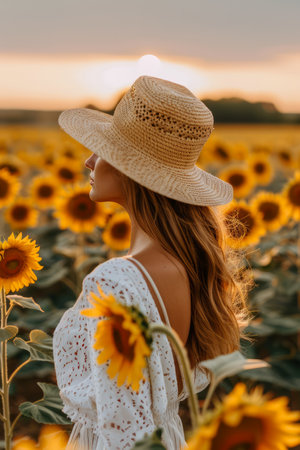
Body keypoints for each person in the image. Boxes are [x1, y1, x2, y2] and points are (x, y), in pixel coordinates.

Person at [53, 75, 252, 450]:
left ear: (132, 170)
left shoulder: (116, 282)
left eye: (103, 150)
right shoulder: (190, 263)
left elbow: (123, 429)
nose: (88, 160)